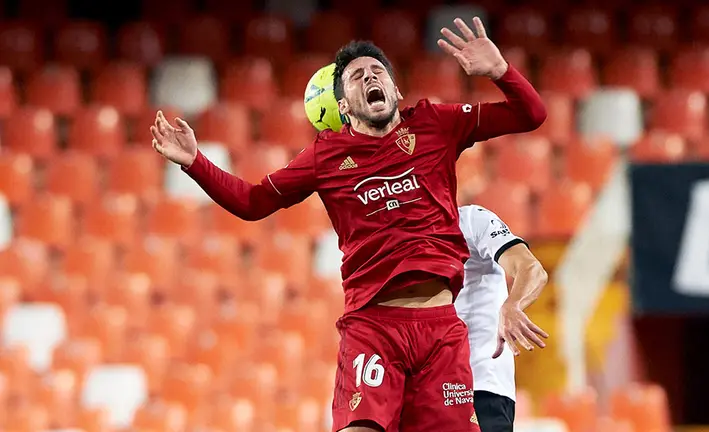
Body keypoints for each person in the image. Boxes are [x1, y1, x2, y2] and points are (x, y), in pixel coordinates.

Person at [150, 16, 546, 432]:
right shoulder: (326, 155)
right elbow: (252, 202)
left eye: (378, 72)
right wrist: (196, 163)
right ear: (342, 106)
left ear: (394, 89)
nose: (370, 77)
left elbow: (531, 115)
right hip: (374, 327)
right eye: (357, 76)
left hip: (442, 331)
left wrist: (501, 72)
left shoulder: (436, 124)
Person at [455, 204, 549, 431]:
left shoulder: (471, 220)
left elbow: (531, 269)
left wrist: (513, 305)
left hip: (481, 384)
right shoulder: (398, 234)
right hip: (424, 388)